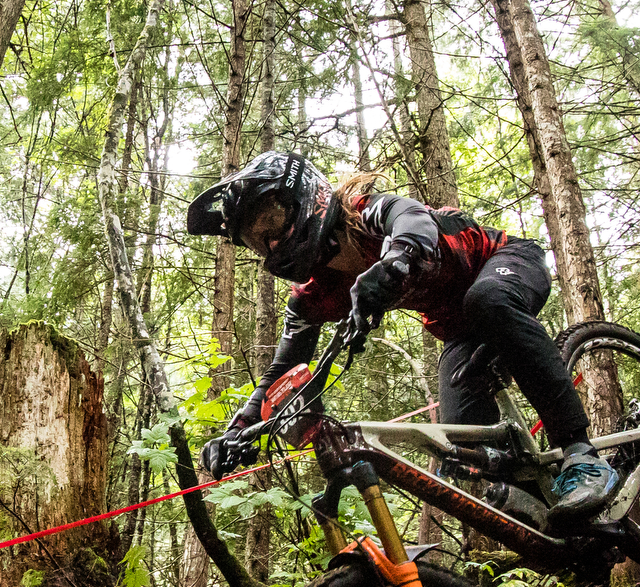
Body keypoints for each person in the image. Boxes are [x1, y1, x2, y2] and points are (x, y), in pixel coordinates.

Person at [186, 151, 615, 527]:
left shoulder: (367, 211)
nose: (272, 242)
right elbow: (282, 370)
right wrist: (240, 429)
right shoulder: (312, 296)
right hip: (461, 331)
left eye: (271, 222)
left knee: (487, 302)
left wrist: (395, 262)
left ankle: (581, 454)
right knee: (464, 457)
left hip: (508, 264)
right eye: (257, 240)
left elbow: (413, 223)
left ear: (302, 197)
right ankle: (573, 529)